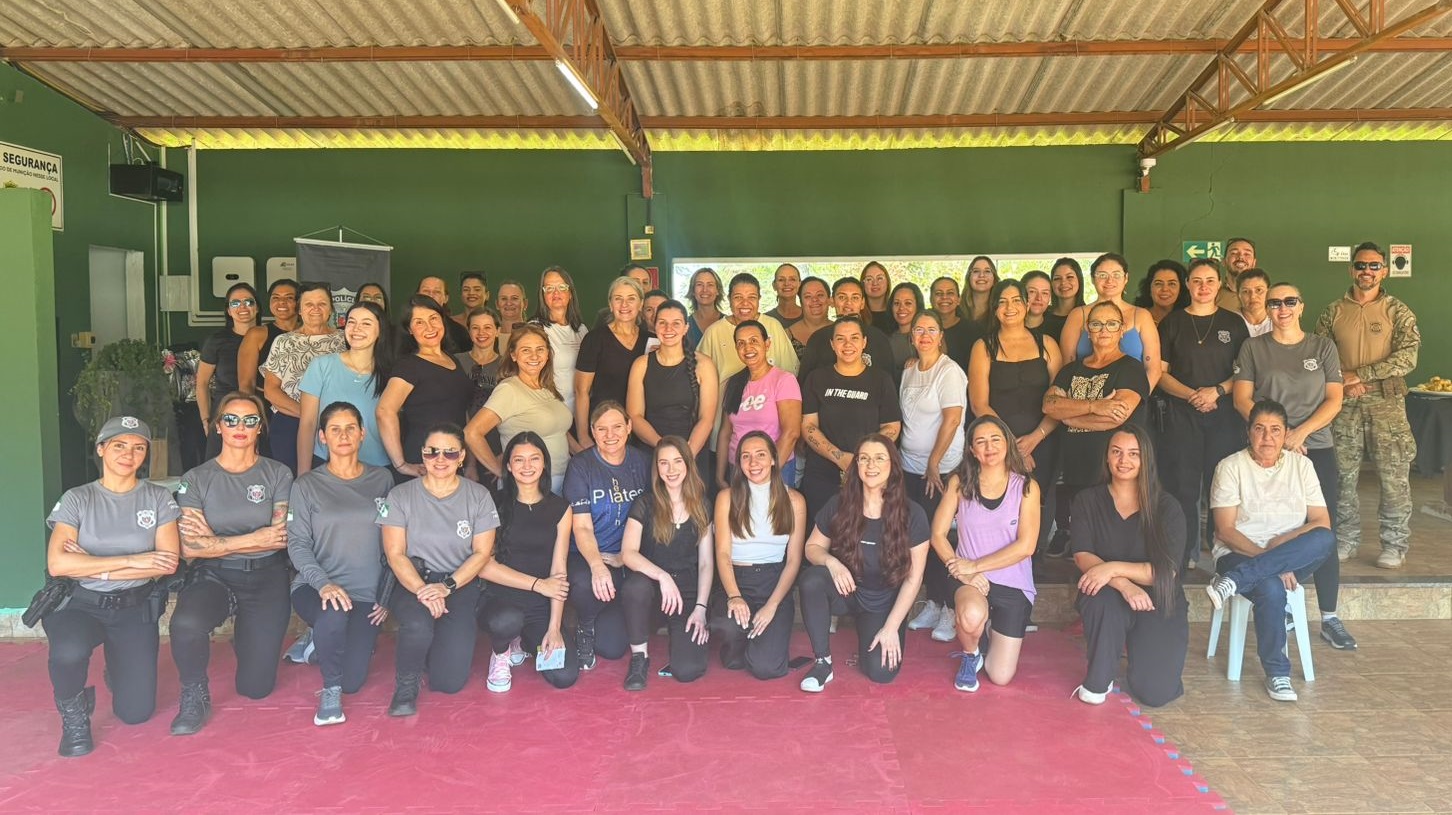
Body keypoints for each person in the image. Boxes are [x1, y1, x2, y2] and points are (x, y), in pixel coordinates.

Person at [43, 416, 181, 756]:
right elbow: (59, 565)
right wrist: (135, 560)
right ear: (101, 449)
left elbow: (166, 563)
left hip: (134, 607)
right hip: (81, 604)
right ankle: (75, 717)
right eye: (119, 445)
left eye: (138, 448)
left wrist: (91, 564)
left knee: (136, 713)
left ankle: (117, 670)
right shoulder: (78, 498)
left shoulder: (158, 498)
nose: (128, 454)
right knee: (68, 651)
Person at [1232, 282, 1355, 650]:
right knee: (1273, 525)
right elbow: (1242, 399)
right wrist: (1279, 436)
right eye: (1274, 302)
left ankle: (1330, 617)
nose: (1282, 308)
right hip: (1269, 451)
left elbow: (1334, 400)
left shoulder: (1322, 347)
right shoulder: (1254, 347)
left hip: (1315, 447)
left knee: (1322, 528)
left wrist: (1300, 433)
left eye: (1289, 301)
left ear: (1301, 306)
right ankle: (1281, 604)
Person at [168, 392, 294, 736]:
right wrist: (253, 538)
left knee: (256, 688)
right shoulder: (196, 478)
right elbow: (189, 547)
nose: (241, 426)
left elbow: (278, 537)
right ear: (218, 426)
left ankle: (247, 638)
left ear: (260, 428)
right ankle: (194, 694)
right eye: (231, 419)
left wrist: (215, 540)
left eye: (250, 420)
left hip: (266, 575)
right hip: (214, 576)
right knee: (186, 624)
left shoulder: (278, 473)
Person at [1206, 401, 1336, 702]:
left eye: (1276, 430)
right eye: (1260, 429)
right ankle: (1278, 673)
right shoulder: (1230, 467)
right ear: (1248, 432)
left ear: (1286, 433)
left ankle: (1236, 581)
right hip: (1236, 554)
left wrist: (1281, 548)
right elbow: (1225, 531)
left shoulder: (1302, 466)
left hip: (1285, 555)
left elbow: (1321, 521)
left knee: (1325, 539)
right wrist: (1274, 564)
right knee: (1271, 588)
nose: (1267, 437)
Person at [286, 402, 395, 725]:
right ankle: (330, 690)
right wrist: (324, 584)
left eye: (350, 428)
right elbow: (297, 544)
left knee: (354, 681)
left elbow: (393, 542)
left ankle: (320, 642)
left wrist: (385, 595)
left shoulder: (382, 479)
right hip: (316, 588)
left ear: (362, 434)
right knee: (333, 614)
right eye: (335, 429)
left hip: (365, 595)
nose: (343, 435)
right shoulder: (306, 485)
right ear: (322, 437)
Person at [377, 423, 498, 714]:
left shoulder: (479, 495)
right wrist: (424, 590)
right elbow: (395, 553)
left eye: (450, 452)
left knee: (449, 682)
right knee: (418, 627)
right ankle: (406, 685)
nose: (440, 459)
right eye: (432, 452)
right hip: (413, 581)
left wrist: (446, 587)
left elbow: (482, 553)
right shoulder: (400, 495)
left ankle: (433, 650)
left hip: (459, 583)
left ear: (462, 456)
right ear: (422, 454)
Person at [1315, 242, 1421, 569]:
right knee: (1342, 476)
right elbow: (1319, 355)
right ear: (1352, 269)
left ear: (1384, 271)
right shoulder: (1333, 311)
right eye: (1361, 265)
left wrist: (1361, 374)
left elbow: (1408, 357)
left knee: (1394, 477)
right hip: (1344, 402)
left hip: (1386, 404)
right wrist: (1346, 382)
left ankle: (1394, 544)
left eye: (1374, 266)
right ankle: (1345, 539)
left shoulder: (1397, 311)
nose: (1367, 271)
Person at [799, 435, 930, 691]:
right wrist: (832, 563)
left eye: (879, 458)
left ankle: (870, 629)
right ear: (856, 465)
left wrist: (891, 627)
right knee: (812, 580)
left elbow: (914, 579)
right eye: (864, 458)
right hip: (847, 590)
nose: (871, 465)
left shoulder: (913, 514)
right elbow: (812, 548)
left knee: (881, 673)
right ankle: (823, 663)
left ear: (892, 465)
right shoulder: (839, 503)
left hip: (883, 600)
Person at [1071, 425, 1188, 707]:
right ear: (1107, 457)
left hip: (1158, 597)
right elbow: (1083, 556)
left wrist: (1111, 568)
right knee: (1099, 595)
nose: (1124, 460)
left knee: (1155, 693)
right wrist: (1123, 584)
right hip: (1108, 593)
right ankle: (1099, 679)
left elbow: (1165, 572)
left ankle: (1140, 655)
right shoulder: (1088, 500)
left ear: (1146, 459)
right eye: (1117, 452)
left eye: (1134, 453)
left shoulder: (1167, 507)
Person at [930, 417, 1039, 693]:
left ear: (1007, 444)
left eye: (995, 439)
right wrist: (960, 569)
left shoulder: (1026, 487)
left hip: (1012, 581)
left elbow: (1026, 546)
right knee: (970, 615)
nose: (989, 447)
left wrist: (975, 566)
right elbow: (938, 535)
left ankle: (989, 630)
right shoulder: (959, 483)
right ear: (972, 450)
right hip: (969, 579)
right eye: (980, 441)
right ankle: (971, 654)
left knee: (1000, 676)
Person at [1155, 259, 1249, 569]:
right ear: (1188, 284)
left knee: (1220, 483)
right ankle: (1185, 552)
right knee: (1183, 485)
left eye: (1210, 280)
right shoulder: (1172, 323)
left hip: (1223, 415)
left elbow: (1244, 372)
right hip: (1181, 415)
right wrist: (1192, 395)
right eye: (1196, 280)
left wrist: (1216, 392)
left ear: (1220, 284)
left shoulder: (1234, 323)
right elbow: (1160, 373)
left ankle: (1222, 548)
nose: (1203, 286)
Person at [476, 432, 579, 691]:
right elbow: (484, 566)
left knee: (564, 676)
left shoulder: (561, 509)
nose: (527, 466)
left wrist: (554, 627)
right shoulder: (492, 503)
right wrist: (538, 584)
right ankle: (501, 652)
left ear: (544, 463)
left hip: (538, 607)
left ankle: (521, 641)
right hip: (499, 600)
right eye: (519, 460)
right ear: (509, 466)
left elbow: (558, 571)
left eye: (534, 458)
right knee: (506, 621)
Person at [1043, 301, 1150, 546]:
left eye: (1111, 324)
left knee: (1111, 540)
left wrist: (1068, 415)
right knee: (1083, 540)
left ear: (1121, 330)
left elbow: (1116, 417)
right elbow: (1049, 405)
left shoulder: (1131, 368)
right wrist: (1095, 406)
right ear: (1087, 331)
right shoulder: (1071, 370)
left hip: (1110, 472)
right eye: (1096, 324)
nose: (1104, 329)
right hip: (1074, 469)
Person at [969, 280, 1061, 554]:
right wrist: (1013, 448)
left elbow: (1059, 401)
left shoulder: (1047, 344)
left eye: (1016, 300)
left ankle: (1036, 565)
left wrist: (1035, 438)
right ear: (994, 308)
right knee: (1002, 508)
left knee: (1040, 505)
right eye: (1002, 302)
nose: (1009, 307)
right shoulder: (983, 346)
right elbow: (979, 404)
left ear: (1027, 304)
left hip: (1044, 440)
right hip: (997, 446)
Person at [620, 437, 715, 690]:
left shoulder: (702, 505)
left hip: (686, 592)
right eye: (664, 463)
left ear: (688, 464)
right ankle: (639, 658)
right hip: (652, 589)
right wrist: (662, 576)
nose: (671, 469)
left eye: (677, 461)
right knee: (635, 587)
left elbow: (706, 563)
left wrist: (701, 608)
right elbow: (628, 553)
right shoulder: (645, 503)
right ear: (657, 468)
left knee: (688, 670)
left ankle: (680, 633)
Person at [564, 401, 651, 670]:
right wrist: (597, 566)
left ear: (629, 427)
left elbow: (654, 518)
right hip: (591, 554)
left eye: (617, 427)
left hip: (627, 556)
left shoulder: (643, 462)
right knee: (583, 583)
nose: (610, 435)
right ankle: (585, 625)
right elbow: (581, 527)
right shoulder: (581, 466)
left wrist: (627, 557)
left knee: (613, 648)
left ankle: (608, 611)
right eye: (601, 429)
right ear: (592, 431)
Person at [713, 431, 807, 680]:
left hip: (773, 582)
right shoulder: (726, 498)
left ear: (774, 459)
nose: (753, 462)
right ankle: (743, 639)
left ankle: (759, 640)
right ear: (739, 462)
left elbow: (793, 560)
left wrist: (772, 605)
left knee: (766, 668)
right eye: (746, 456)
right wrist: (734, 596)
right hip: (736, 578)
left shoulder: (794, 500)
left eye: (761, 455)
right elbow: (722, 553)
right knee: (730, 635)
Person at [899, 310, 968, 642]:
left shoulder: (949, 371)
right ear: (911, 336)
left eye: (931, 329)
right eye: (918, 330)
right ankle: (933, 602)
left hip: (940, 471)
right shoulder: (909, 370)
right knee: (919, 539)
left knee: (941, 539)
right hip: (909, 468)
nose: (924, 335)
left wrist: (934, 462)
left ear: (941, 335)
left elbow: (952, 419)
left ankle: (951, 609)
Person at [800, 316, 903, 521]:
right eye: (841, 339)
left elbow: (892, 426)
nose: (848, 344)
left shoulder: (881, 380)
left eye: (854, 338)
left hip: (870, 474)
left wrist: (862, 458)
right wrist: (840, 457)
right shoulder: (816, 379)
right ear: (832, 344)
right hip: (822, 475)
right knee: (820, 532)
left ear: (864, 342)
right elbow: (808, 426)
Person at [466, 324, 577, 493]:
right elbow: (472, 433)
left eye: (540, 349)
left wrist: (588, 456)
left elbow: (560, 430)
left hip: (565, 478)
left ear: (548, 354)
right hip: (531, 485)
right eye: (526, 350)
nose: (534, 356)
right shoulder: (509, 389)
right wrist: (502, 472)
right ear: (513, 355)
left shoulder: (547, 387)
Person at [377, 296, 474, 480]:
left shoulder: (452, 359)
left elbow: (463, 412)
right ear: (409, 329)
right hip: (424, 461)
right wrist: (401, 464)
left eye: (433, 318)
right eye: (419, 322)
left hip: (453, 459)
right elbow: (384, 411)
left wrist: (471, 463)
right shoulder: (409, 365)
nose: (429, 327)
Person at [296, 301, 393, 475]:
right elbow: (308, 424)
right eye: (351, 322)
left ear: (380, 330)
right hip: (327, 463)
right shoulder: (321, 366)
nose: (356, 329)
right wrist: (303, 475)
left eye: (366, 323)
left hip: (377, 467)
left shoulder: (392, 374)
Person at [260, 282, 347, 474]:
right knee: (293, 481)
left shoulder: (345, 340)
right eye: (309, 304)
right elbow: (271, 390)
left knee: (333, 480)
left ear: (331, 309)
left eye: (322, 304)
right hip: (290, 424)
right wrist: (310, 416)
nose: (315, 309)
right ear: (299, 310)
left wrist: (328, 420)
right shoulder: (284, 342)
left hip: (338, 425)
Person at [628, 300, 719, 472]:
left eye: (676, 323)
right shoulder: (641, 365)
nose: (668, 329)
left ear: (686, 328)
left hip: (692, 453)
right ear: (655, 326)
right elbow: (635, 415)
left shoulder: (704, 365)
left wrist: (685, 457)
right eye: (662, 323)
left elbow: (707, 419)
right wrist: (663, 449)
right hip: (652, 452)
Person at [716, 319, 801, 489]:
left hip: (776, 468)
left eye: (754, 341)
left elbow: (791, 433)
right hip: (738, 469)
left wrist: (767, 475)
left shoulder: (783, 380)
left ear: (767, 344)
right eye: (741, 343)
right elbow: (725, 432)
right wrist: (719, 476)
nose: (747, 348)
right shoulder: (732, 383)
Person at [1060, 253, 1162, 392]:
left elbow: (1153, 369)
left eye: (1116, 275)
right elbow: (1067, 366)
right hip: (1083, 397)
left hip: (1132, 396)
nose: (1109, 280)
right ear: (1092, 279)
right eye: (1102, 275)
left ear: (1126, 278)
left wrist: (1135, 399)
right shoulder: (1077, 315)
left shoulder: (1142, 316)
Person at [576, 276, 651, 447]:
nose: (624, 304)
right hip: (605, 428)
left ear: (640, 304)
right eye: (618, 299)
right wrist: (583, 436)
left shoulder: (652, 341)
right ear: (610, 304)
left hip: (642, 430)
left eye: (631, 299)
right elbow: (581, 391)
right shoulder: (595, 339)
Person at [698, 272, 800, 384]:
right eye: (738, 297)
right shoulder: (714, 332)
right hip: (725, 396)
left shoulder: (773, 326)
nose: (745, 303)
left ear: (759, 299)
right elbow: (698, 375)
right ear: (729, 299)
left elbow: (790, 372)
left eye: (752, 297)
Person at [198, 284, 259, 458]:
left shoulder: (270, 338)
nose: (242, 307)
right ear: (228, 311)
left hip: (262, 414)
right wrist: (206, 420)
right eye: (235, 303)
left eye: (248, 302)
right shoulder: (217, 341)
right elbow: (202, 383)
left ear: (257, 308)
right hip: (224, 415)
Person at [798, 278, 895, 383]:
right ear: (832, 301)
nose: (848, 303)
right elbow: (805, 383)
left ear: (862, 303)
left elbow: (889, 383)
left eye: (855, 298)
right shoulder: (818, 339)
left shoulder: (878, 339)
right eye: (842, 297)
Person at [533, 266, 589, 416]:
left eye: (562, 287)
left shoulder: (581, 330)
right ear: (542, 295)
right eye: (549, 288)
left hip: (580, 412)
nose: (556, 293)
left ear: (570, 293)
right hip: (550, 413)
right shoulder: (535, 329)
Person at [238, 278, 299, 397]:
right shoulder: (257, 334)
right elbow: (246, 384)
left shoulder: (310, 333)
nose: (282, 302)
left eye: (289, 297)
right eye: (275, 297)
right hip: (266, 402)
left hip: (307, 402)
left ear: (299, 302)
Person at [456, 305, 502, 420]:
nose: (481, 332)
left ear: (497, 331)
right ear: (469, 331)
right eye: (475, 328)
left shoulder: (506, 365)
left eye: (487, 327)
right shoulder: (454, 361)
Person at [930, 276, 980, 364]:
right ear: (931, 299)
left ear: (958, 300)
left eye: (950, 293)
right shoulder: (921, 329)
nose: (944, 297)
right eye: (938, 293)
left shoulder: (974, 331)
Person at [417, 275, 472, 352]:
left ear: (445, 298)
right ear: (417, 295)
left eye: (437, 292)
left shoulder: (459, 332)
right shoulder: (406, 327)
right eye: (426, 291)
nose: (431, 295)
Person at [592, 264, 653, 329]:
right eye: (636, 282)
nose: (641, 287)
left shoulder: (656, 313)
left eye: (645, 282)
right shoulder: (605, 316)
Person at [787, 276, 833, 358]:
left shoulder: (843, 331)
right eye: (808, 296)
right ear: (801, 302)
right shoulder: (786, 336)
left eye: (820, 295)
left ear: (829, 300)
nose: (815, 299)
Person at [1044, 257, 1086, 342]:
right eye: (1057, 278)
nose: (1063, 282)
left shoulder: (1088, 315)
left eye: (1069, 277)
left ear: (1079, 280)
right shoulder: (1042, 314)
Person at [1134, 259, 1189, 325]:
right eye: (1158, 284)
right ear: (1149, 288)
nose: (1165, 289)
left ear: (1181, 289)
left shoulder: (1189, 320)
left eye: (1172, 284)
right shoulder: (1135, 317)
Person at [886, 281, 924, 370]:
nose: (901, 308)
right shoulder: (886, 341)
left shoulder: (929, 335)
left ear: (918, 306)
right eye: (896, 303)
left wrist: (920, 362)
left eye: (908, 303)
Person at [685, 267, 725, 349]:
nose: (705, 290)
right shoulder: (684, 325)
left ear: (718, 290)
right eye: (699, 284)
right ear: (693, 290)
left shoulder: (728, 324)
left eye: (710, 285)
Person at [1220, 238, 1258, 312]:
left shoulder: (1266, 297)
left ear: (1254, 263)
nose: (1241, 257)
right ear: (1223, 261)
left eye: (1247, 254)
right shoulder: (1211, 295)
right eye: (1234, 253)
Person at [961, 256, 999, 325]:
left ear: (994, 279)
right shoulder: (956, 309)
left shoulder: (1001, 309)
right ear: (969, 278)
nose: (981, 275)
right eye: (976, 271)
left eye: (987, 271)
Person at [1236, 267, 1272, 337]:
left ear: (1269, 292)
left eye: (1259, 290)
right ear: (1238, 295)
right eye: (1246, 291)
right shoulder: (1229, 321)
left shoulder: (1278, 321)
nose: (1253, 296)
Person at [494, 279, 529, 349]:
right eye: (504, 298)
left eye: (514, 298)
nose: (509, 303)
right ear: (497, 304)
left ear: (525, 304)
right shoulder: (489, 336)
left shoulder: (535, 334)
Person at [861, 261, 892, 328]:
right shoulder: (857, 314)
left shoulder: (897, 313)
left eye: (880, 278)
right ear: (863, 284)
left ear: (887, 282)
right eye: (869, 279)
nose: (875, 283)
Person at [1022, 270, 1054, 335]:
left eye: (1044, 293)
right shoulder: (1006, 326)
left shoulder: (1057, 329)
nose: (1038, 298)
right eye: (1032, 291)